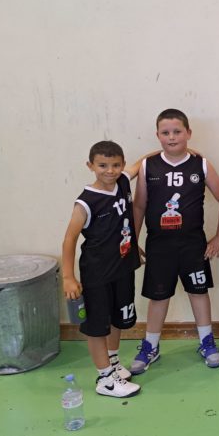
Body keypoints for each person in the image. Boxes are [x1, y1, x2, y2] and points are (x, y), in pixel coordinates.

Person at [129, 109, 219, 374]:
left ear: (188, 133)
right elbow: (139, 206)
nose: (171, 137)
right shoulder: (148, 166)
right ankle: (150, 346)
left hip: (192, 243)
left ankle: (206, 342)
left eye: (177, 131)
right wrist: (134, 240)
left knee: (199, 292)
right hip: (159, 244)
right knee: (158, 296)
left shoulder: (201, 164)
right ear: (157, 135)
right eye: (165, 132)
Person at [62, 140, 142, 398]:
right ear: (90, 166)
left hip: (122, 267)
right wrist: (68, 277)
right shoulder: (85, 202)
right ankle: (105, 379)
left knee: (119, 318)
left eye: (116, 165)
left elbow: (139, 165)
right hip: (97, 273)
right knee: (97, 325)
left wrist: (172, 152)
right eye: (103, 165)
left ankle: (113, 361)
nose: (110, 171)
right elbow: (70, 239)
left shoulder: (123, 181)